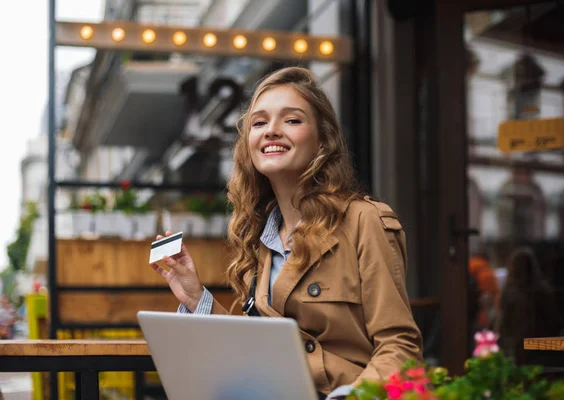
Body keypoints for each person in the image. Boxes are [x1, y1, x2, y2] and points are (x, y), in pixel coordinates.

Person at [150, 67, 423, 399]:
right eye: (259, 123)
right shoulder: (260, 236)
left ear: (323, 139)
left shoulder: (365, 221)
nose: (272, 131)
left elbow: (400, 346)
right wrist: (195, 296)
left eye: (292, 120)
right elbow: (259, 350)